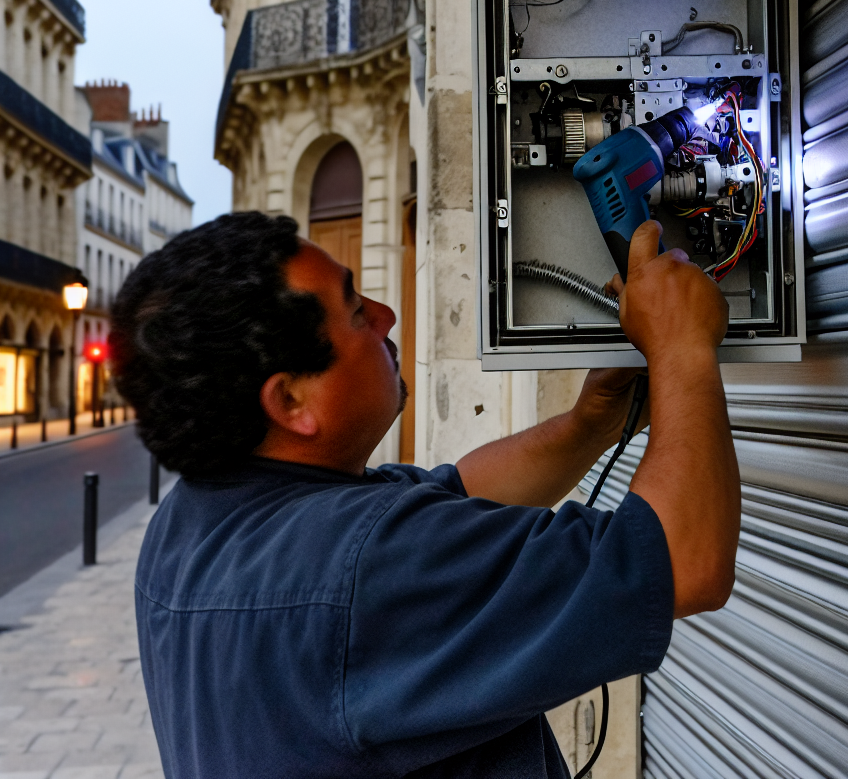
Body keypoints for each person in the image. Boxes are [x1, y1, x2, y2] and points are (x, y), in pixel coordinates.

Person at [112, 211, 739, 779]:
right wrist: (682, 346)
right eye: (356, 309)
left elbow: (459, 493)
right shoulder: (365, 563)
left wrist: (589, 425)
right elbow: (685, 563)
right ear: (290, 400)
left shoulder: (191, 522)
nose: (386, 315)